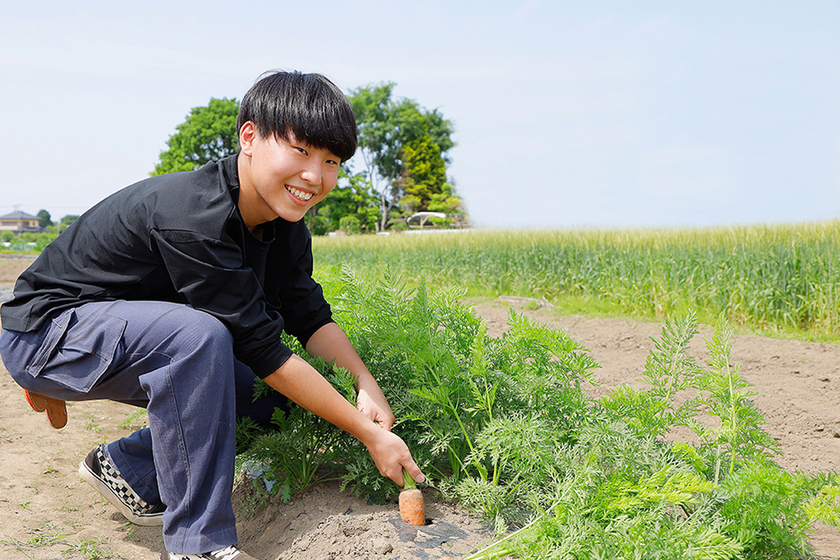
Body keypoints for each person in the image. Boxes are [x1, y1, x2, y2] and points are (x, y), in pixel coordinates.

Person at [0, 70, 424, 560]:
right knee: (201, 336)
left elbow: (309, 318)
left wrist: (364, 386)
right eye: (301, 152)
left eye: (331, 161)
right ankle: (198, 546)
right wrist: (366, 432)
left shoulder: (285, 226)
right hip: (48, 335)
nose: (315, 176)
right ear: (249, 137)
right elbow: (262, 348)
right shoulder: (195, 216)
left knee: (276, 397)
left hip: (123, 335)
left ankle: (131, 469)